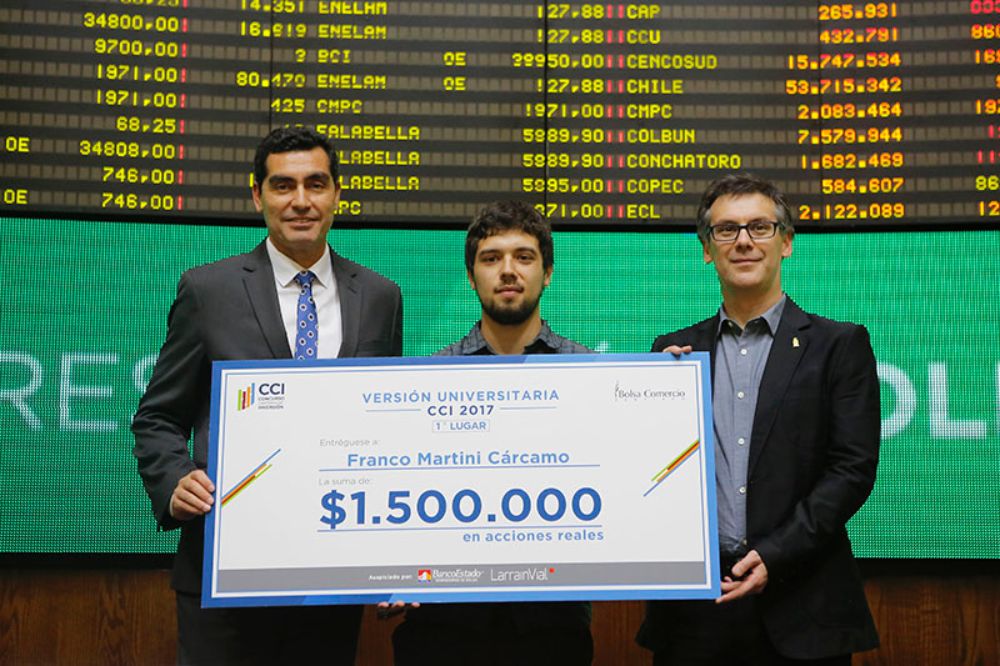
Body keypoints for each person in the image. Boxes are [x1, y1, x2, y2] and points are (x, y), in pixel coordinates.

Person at [132, 126, 403, 665]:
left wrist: (391, 556)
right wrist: (174, 479)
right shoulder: (207, 290)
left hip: (331, 573)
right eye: (283, 186)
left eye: (316, 184)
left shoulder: (379, 297)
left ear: (336, 194)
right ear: (257, 196)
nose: (301, 201)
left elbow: (385, 432)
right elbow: (157, 417)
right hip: (224, 573)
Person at [637, 174, 880, 664]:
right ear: (707, 249)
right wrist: (653, 398)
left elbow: (851, 470)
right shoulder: (672, 356)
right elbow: (649, 473)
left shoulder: (839, 346)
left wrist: (776, 554)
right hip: (695, 618)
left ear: (786, 242)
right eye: (726, 230)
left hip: (804, 610)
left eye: (760, 227)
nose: (743, 240)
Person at [391, 200, 593, 666]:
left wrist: (667, 387)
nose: (507, 271)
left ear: (547, 274)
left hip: (552, 631)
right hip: (442, 628)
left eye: (523, 257)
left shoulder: (590, 375)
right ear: (471, 276)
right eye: (491, 258)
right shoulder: (424, 381)